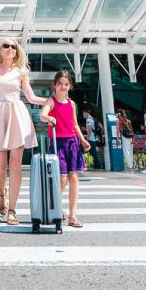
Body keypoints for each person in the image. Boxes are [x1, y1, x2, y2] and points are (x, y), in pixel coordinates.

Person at [0, 38, 47, 226]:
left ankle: (12, 210)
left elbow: (30, 97)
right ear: (0, 50)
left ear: (17, 50)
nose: (10, 48)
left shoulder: (20, 71)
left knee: (15, 165)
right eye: (6, 45)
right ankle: (1, 192)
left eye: (13, 46)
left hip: (17, 115)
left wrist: (50, 101)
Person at [40, 70, 90, 228]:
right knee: (61, 179)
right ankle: (53, 208)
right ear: (54, 85)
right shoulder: (51, 101)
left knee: (73, 178)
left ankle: (72, 215)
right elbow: (42, 115)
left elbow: (75, 124)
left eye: (66, 84)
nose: (63, 86)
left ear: (70, 86)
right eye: (60, 83)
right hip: (57, 143)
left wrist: (82, 140)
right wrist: (49, 118)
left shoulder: (71, 103)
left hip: (72, 143)